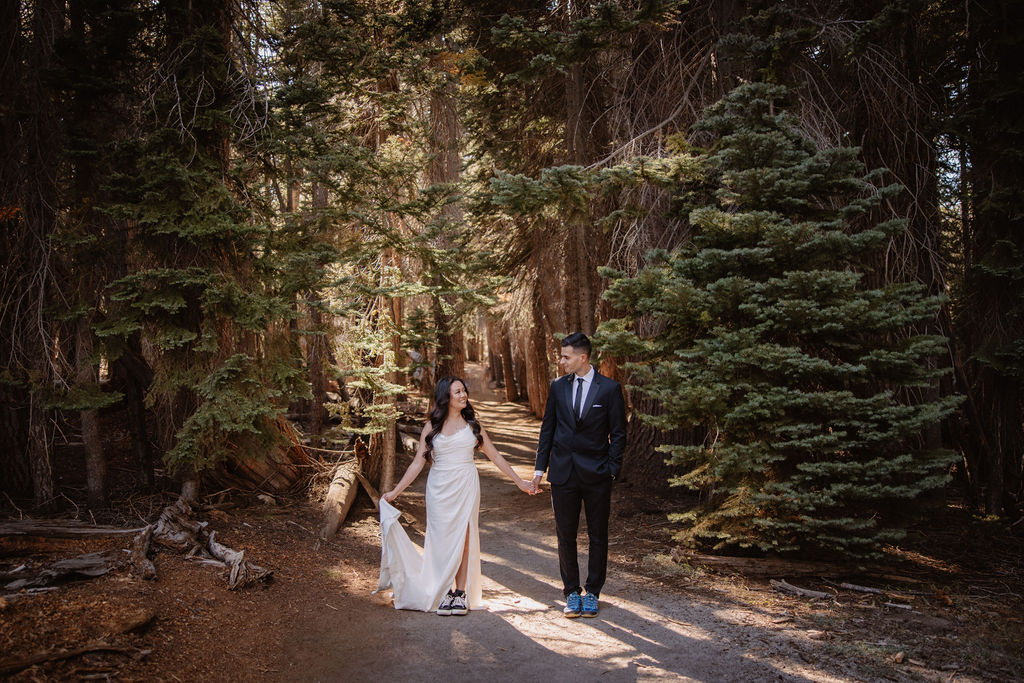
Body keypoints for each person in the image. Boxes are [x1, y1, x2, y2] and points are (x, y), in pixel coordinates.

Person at [377, 376, 535, 615]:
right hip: (439, 487)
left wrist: (519, 481)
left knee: (464, 535)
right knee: (440, 539)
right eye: (457, 392)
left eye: (464, 391)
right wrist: (396, 491)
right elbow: (418, 463)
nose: (463, 395)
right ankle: (444, 590)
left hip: (466, 484)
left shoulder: (473, 425)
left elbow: (495, 456)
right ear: (446, 398)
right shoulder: (433, 427)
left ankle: (460, 593)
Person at [531, 332, 627, 619]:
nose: (561, 361)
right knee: (565, 535)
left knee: (598, 536)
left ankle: (593, 592)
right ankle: (571, 591)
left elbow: (619, 433)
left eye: (565, 357)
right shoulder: (558, 387)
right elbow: (547, 429)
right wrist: (539, 470)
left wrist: (612, 469)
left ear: (582, 358)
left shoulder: (609, 389)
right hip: (563, 474)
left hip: (597, 474)